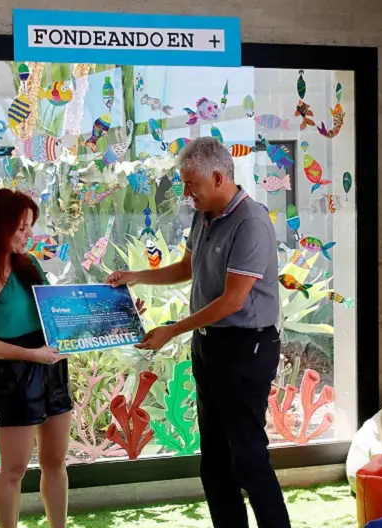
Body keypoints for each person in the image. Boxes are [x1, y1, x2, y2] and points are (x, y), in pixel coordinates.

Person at [106, 136, 291, 528]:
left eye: (192, 185)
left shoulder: (252, 223)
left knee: (249, 458)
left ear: (220, 177)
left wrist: (171, 330)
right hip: (209, 346)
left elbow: (232, 301)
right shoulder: (204, 213)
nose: (187, 194)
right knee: (215, 461)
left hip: (246, 348)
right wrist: (137, 276)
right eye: (184, 185)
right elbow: (186, 268)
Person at [0, 189, 72, 528]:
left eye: (29, 226)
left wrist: (113, 314)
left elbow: (56, 314)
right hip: (13, 374)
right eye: (21, 227)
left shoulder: (29, 264)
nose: (29, 234)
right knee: (13, 469)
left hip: (50, 365)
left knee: (55, 462)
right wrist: (32, 355)